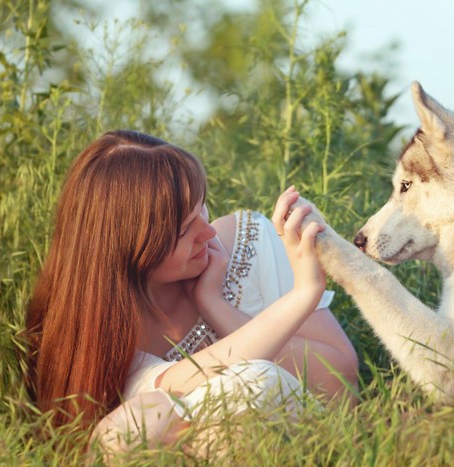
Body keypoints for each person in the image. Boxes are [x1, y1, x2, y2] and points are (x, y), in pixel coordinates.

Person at [24, 130, 358, 452]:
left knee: (258, 380)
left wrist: (217, 306)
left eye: (201, 207)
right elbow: (173, 396)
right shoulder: (106, 331)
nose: (207, 230)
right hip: (207, 450)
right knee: (141, 425)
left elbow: (339, 387)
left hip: (306, 438)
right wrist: (304, 293)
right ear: (129, 250)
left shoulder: (248, 241)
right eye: (184, 229)